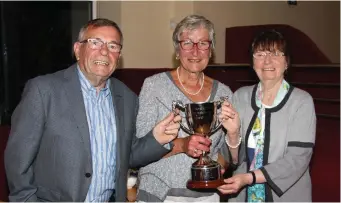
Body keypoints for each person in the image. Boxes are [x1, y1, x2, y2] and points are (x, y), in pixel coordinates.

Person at [4, 18, 181, 202]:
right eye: (95, 43)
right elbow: (18, 163)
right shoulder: (43, 91)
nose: (104, 51)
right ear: (78, 50)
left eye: (113, 46)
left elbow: (125, 157)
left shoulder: (127, 98)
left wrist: (157, 139)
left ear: (118, 56)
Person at [135, 15, 240, 202]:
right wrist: (182, 145)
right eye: (188, 43)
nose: (196, 51)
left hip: (207, 196)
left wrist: (219, 164)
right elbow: (140, 148)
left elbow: (226, 154)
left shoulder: (224, 93)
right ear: (177, 49)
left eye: (203, 43)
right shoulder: (154, 86)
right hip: (160, 194)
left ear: (211, 50)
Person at [217, 30, 316, 202]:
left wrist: (249, 178)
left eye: (275, 54)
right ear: (253, 62)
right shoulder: (240, 97)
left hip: (285, 196)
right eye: (260, 54)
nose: (267, 61)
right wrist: (233, 135)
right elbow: (233, 160)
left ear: (287, 63)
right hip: (242, 194)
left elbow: (297, 160)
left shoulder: (301, 101)